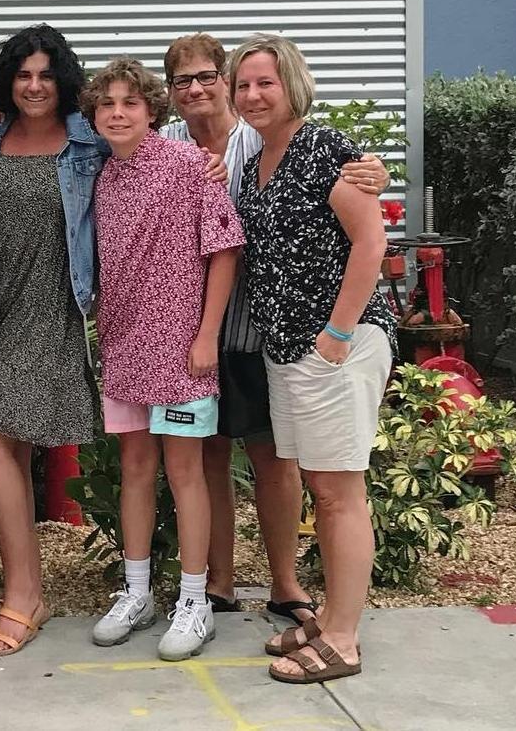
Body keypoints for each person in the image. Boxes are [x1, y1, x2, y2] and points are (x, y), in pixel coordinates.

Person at [159, 33, 390, 629]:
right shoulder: (169, 148)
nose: (198, 89)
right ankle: (221, 581)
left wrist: (339, 332)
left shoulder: (284, 143)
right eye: (183, 80)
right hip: (206, 337)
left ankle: (290, 589)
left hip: (280, 339)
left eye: (211, 76)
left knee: (285, 464)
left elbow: (366, 233)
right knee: (213, 456)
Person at [231, 33, 396, 685]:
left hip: (334, 349)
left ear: (291, 83)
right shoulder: (255, 162)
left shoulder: (324, 151)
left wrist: (336, 333)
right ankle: (329, 617)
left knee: (337, 493)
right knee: (320, 491)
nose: (252, 95)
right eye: (242, 84)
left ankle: (344, 641)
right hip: (287, 350)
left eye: (264, 82)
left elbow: (369, 240)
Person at [0, 24, 104, 656]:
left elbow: (154, 146)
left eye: (44, 74)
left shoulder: (89, 141)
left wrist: (205, 157)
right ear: (7, 81)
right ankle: (30, 586)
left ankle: (22, 595)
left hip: (49, 299)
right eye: (22, 74)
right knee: (0, 445)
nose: (34, 85)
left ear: (62, 78)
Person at [84, 58, 243, 661]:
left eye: (131, 102)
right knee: (135, 469)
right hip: (124, 347)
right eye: (107, 104)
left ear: (154, 110)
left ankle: (197, 599)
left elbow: (224, 250)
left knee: (186, 471)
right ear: (95, 115)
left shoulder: (188, 166)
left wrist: (207, 335)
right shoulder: (101, 177)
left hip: (181, 350)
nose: (118, 113)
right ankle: (137, 590)